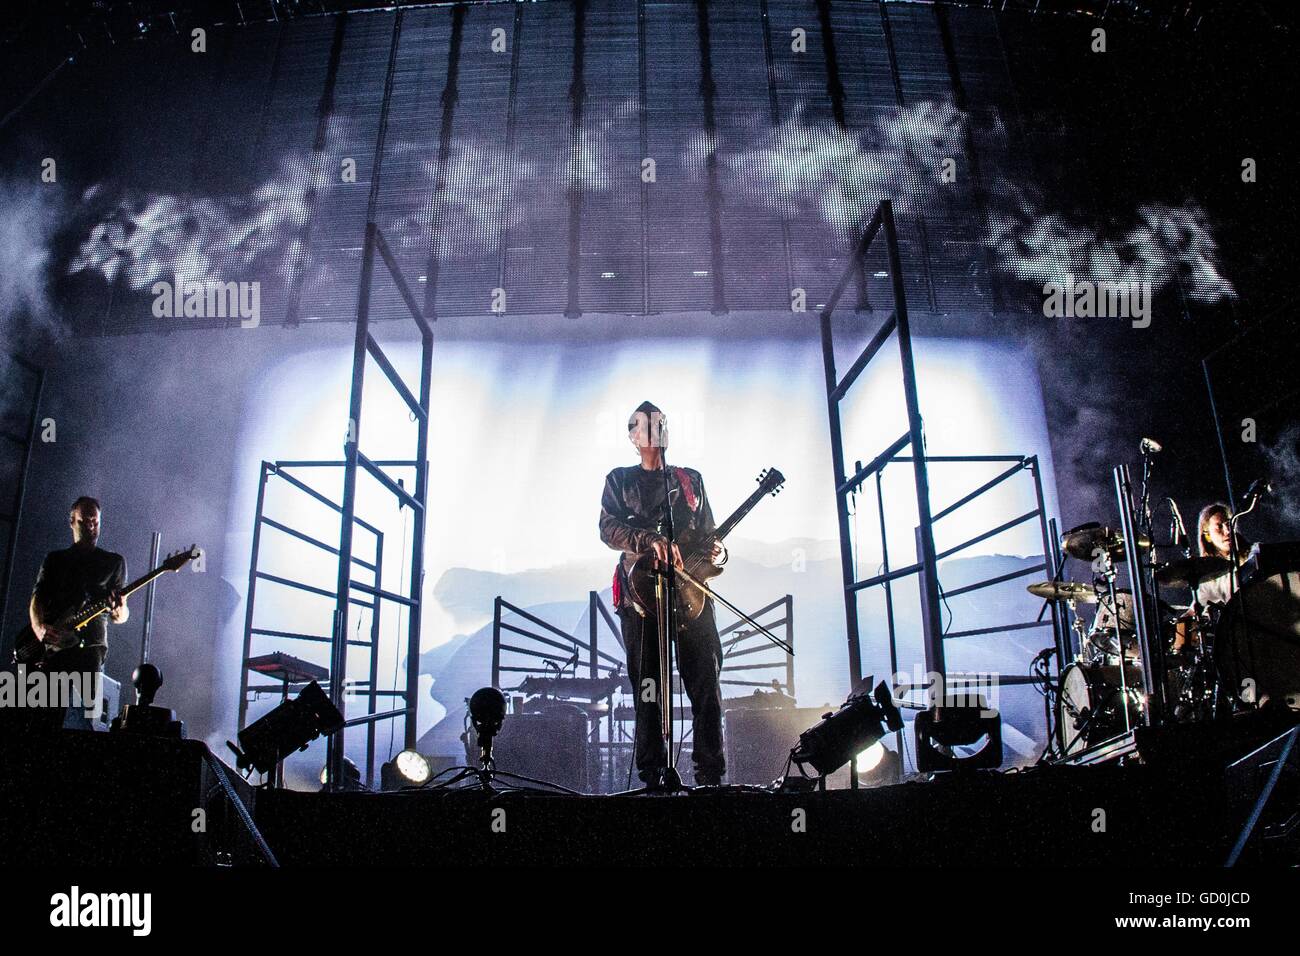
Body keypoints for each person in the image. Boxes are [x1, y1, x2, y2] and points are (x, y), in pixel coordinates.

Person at [599, 401, 727, 787]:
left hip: (691, 595)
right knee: (649, 689)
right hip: (640, 599)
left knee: (706, 682)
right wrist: (649, 539)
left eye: (662, 424)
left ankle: (709, 775)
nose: (658, 429)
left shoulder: (690, 480)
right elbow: (609, 528)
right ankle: (652, 774)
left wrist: (718, 552)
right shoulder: (619, 480)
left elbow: (709, 534)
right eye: (648, 425)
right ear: (633, 436)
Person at [24, 496, 127, 729]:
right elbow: (37, 598)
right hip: (54, 647)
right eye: (84, 521)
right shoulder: (56, 559)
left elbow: (120, 616)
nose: (91, 527)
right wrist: (39, 628)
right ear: (72, 521)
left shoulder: (113, 562)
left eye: (96, 522)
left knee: (82, 720)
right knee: (46, 716)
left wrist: (119, 608)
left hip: (90, 647)